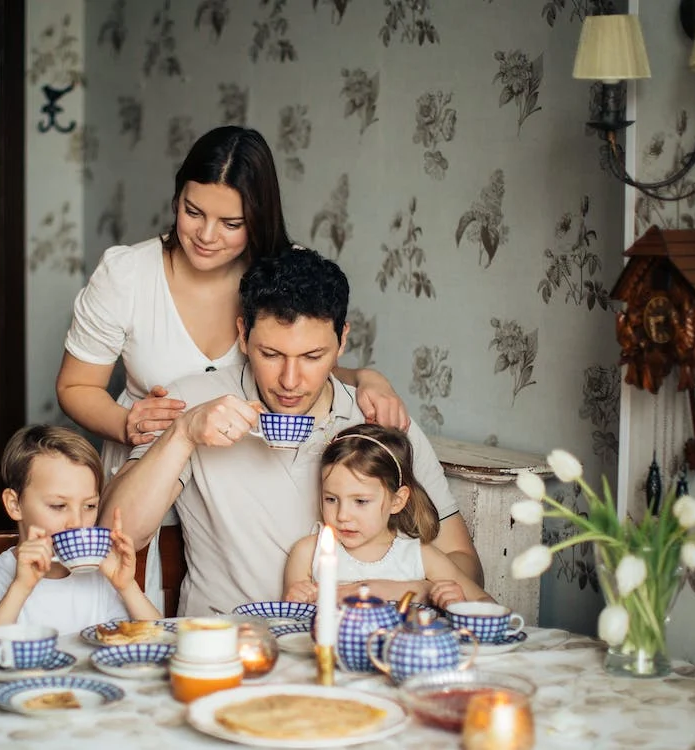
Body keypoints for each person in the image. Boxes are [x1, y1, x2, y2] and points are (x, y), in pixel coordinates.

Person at [56, 125, 409, 607]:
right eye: (193, 211)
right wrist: (127, 422)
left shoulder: (281, 272)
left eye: (231, 223)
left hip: (241, 476)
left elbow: (306, 362)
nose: (205, 235)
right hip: (153, 458)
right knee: (134, 604)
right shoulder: (127, 276)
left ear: (259, 219)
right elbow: (76, 385)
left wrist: (367, 376)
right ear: (177, 196)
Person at [100, 247, 483, 616]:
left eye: (313, 357)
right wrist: (182, 434)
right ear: (242, 335)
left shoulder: (378, 419)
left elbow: (464, 567)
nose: (289, 380)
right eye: (271, 354)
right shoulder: (191, 401)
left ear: (342, 340)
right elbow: (118, 536)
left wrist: (382, 591)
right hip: (229, 644)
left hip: (357, 646)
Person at [0, 425, 159, 673]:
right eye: (58, 506)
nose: (76, 523)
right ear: (15, 505)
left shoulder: (100, 580)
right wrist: (20, 588)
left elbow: (162, 644)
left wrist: (127, 587)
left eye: (89, 506)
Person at [283, 424, 494, 608]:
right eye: (331, 499)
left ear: (397, 501)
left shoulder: (420, 557)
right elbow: (287, 620)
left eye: (361, 501)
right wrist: (294, 600)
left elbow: (487, 604)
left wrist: (458, 603)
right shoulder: (308, 553)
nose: (343, 515)